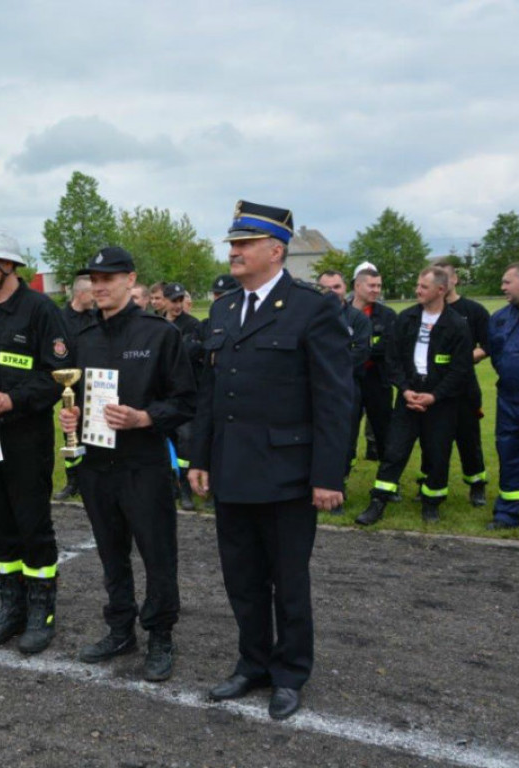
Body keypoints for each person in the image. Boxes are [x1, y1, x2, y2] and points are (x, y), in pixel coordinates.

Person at [188, 200, 352, 720]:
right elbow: (211, 393)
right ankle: (252, 663)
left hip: (288, 473)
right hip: (233, 468)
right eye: (232, 244)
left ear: (275, 250)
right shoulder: (222, 308)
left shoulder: (313, 307)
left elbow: (334, 398)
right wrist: (199, 456)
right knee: (242, 578)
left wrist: (328, 474)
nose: (233, 252)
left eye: (243, 244)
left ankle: (289, 672)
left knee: (289, 579)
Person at [59, 247, 196, 682]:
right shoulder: (83, 338)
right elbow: (77, 396)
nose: (100, 286)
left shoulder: (159, 334)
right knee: (111, 554)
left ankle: (159, 635)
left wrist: (145, 417)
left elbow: (186, 401)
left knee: (157, 555)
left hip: (144, 464)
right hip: (97, 466)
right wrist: (71, 416)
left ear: (129, 279)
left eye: (109, 277)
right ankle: (120, 629)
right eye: (94, 279)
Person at [0, 225, 71, 655]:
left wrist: (13, 399)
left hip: (26, 439)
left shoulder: (41, 310)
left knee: (32, 524)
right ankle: (12, 606)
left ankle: (42, 610)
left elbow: (58, 377)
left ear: (9, 265)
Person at [356, 267, 473, 525]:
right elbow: (392, 358)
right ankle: (378, 501)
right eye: (418, 285)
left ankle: (431, 502)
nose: (417, 290)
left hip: (440, 403)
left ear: (440, 290)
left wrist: (434, 396)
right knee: (394, 450)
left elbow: (460, 369)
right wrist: (406, 390)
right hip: (408, 397)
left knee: (437, 453)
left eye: (423, 287)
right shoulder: (406, 319)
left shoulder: (456, 325)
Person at [434, 259, 491, 506]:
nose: (442, 284)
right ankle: (431, 483)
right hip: (434, 388)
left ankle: (476, 484)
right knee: (434, 439)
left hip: (465, 386)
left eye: (445, 278)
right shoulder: (427, 311)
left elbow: (489, 345)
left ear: (455, 279)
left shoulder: (474, 311)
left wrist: (465, 359)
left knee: (469, 438)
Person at [317, 270, 372, 514]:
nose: (331, 292)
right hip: (314, 390)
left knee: (344, 442)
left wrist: (326, 365)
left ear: (344, 289)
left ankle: (337, 489)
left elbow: (360, 353)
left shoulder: (357, 319)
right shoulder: (309, 317)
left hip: (346, 389)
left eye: (336, 287)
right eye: (325, 287)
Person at [55, 275, 97, 501]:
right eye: (92, 292)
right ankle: (73, 480)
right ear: (80, 294)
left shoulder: (97, 317)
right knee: (70, 433)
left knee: (93, 430)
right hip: (70, 387)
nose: (96, 296)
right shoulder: (60, 319)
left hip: (93, 386)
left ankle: (91, 478)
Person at [163, 283, 202, 511]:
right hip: (162, 395)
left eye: (180, 300)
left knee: (186, 441)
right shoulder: (156, 323)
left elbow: (189, 354)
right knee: (165, 443)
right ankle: (172, 487)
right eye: (173, 300)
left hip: (184, 395)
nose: (177, 305)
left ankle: (186, 489)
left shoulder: (192, 325)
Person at [351, 267, 396, 463]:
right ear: (357, 285)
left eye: (378, 285)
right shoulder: (341, 313)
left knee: (384, 431)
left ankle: (387, 483)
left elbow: (388, 346)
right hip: (349, 379)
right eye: (371, 285)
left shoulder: (387, 315)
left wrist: (358, 349)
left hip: (378, 379)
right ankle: (340, 478)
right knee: (346, 430)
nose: (376, 290)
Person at [487, 263, 519, 529]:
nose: (502, 287)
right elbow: (494, 353)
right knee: (507, 452)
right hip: (508, 398)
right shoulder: (499, 317)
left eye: (507, 282)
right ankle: (508, 513)